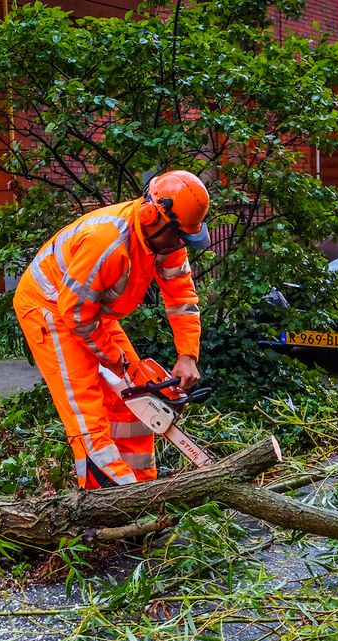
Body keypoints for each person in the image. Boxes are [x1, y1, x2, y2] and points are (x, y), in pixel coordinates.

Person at [13, 170, 210, 489]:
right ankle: (104, 498)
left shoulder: (167, 241)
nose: (179, 244)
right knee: (86, 404)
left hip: (90, 312)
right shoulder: (107, 241)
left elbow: (181, 295)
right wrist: (119, 362)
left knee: (137, 396)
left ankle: (142, 488)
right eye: (177, 235)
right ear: (152, 215)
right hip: (49, 306)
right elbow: (74, 314)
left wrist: (187, 355)